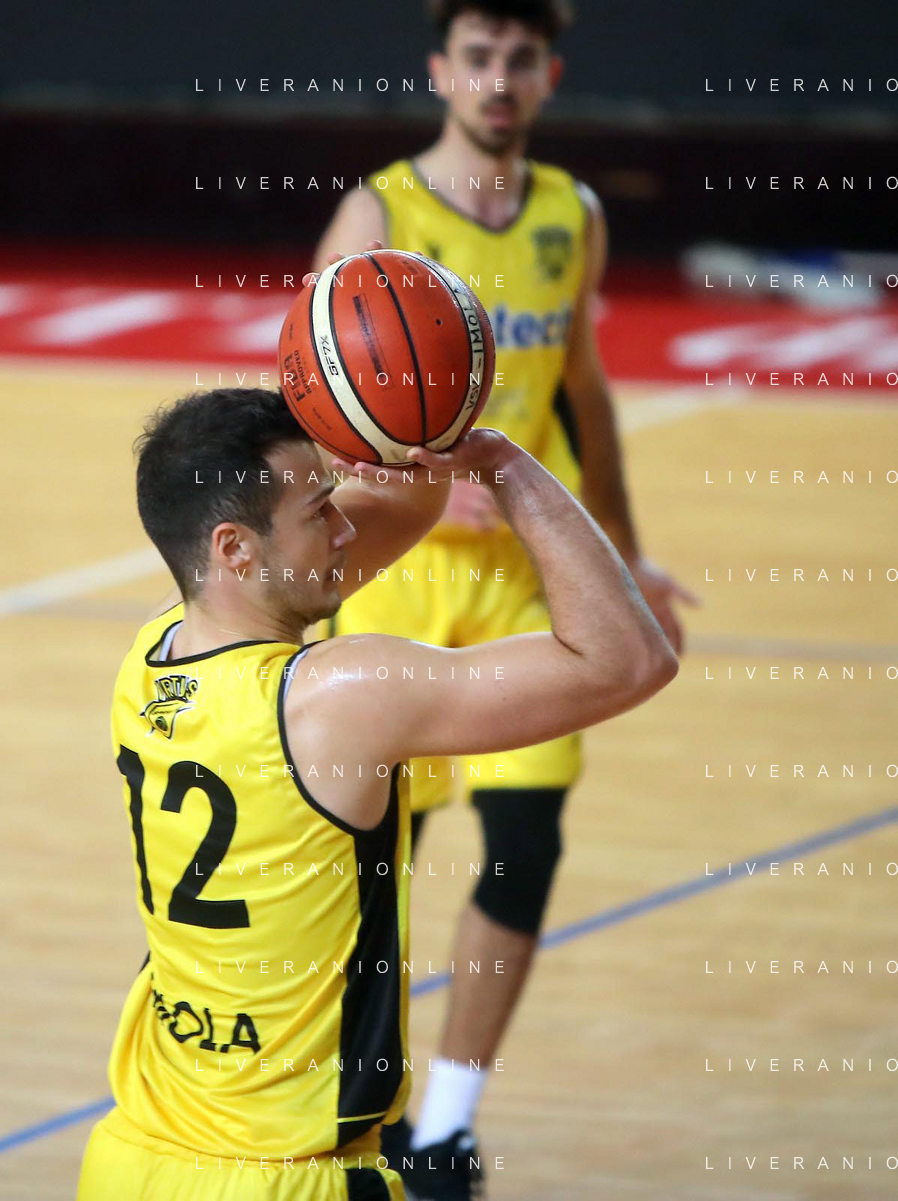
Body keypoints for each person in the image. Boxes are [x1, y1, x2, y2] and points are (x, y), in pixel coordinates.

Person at [76, 272, 676, 1199]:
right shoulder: (341, 696)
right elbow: (626, 658)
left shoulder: (150, 654)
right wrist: (504, 464)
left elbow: (394, 511)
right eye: (319, 510)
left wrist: (409, 433)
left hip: (132, 1159)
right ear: (235, 548)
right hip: (287, 1179)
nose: (344, 527)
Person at [314, 2, 698, 1192]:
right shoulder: (381, 213)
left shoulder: (571, 214)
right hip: (400, 580)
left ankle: (444, 1124)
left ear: (547, 76)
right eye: (477, 57)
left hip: (528, 587)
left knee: (524, 847)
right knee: (377, 871)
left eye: (518, 60)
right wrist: (413, 495)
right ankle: (356, 1111)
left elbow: (584, 388)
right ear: (440, 70)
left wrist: (623, 552)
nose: (496, 79)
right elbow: (310, 397)